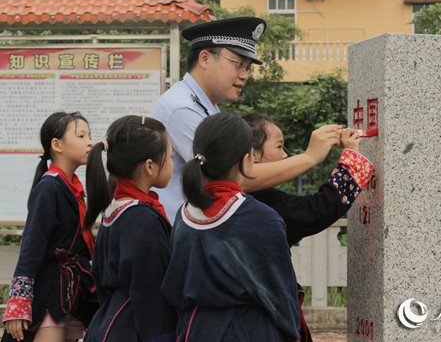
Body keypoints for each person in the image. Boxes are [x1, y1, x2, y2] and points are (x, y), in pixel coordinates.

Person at [151, 16, 341, 223]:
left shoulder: (203, 106)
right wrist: (309, 158)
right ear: (205, 59)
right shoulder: (182, 108)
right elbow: (233, 178)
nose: (245, 75)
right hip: (176, 238)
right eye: (238, 64)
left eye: (248, 67)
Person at [161, 112, 300, 342]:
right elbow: (281, 297)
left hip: (194, 330)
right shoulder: (262, 218)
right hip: (249, 331)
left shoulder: (184, 215)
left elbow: (173, 287)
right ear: (246, 161)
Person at [243, 113, 375, 342]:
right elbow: (317, 210)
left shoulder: (214, 200)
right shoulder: (258, 206)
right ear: (253, 154)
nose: (285, 154)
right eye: (279, 146)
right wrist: (352, 161)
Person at [2, 112, 97, 342]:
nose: (90, 142)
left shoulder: (72, 188)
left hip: (70, 294)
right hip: (50, 296)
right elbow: (32, 246)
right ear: (57, 145)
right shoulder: (50, 187)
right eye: (81, 135)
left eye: (89, 136)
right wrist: (19, 301)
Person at [82, 115, 177, 342]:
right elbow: (151, 295)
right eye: (171, 157)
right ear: (150, 166)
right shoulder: (142, 219)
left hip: (109, 324)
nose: (173, 164)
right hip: (135, 330)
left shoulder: (115, 209)